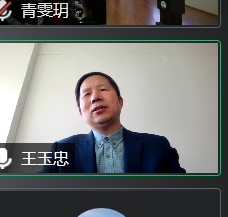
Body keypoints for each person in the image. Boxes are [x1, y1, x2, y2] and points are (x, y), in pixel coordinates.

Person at [40, 72, 186, 174]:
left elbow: (182, 193)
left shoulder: (158, 146)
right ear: (81, 113)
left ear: (120, 101)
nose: (95, 97)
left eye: (103, 89)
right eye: (87, 94)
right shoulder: (62, 150)